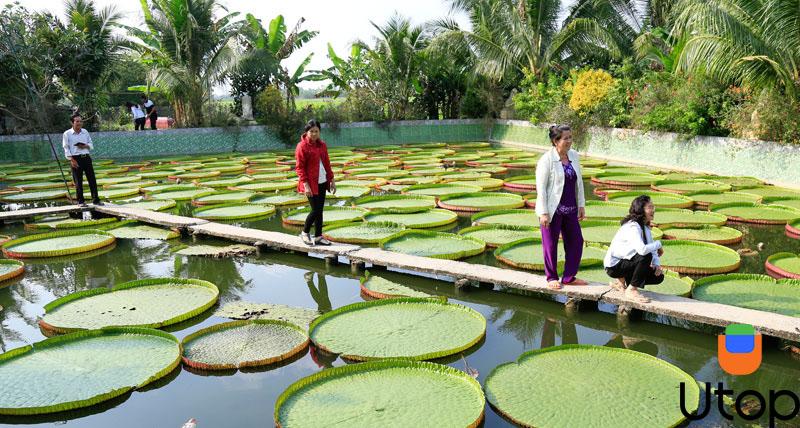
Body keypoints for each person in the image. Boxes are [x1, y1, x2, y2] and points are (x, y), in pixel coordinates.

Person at [535, 124, 587, 290]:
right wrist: (543, 212)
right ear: (555, 141)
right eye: (566, 138)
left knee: (576, 242)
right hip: (552, 210)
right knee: (550, 245)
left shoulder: (574, 156)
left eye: (571, 137)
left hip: (571, 209)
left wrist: (581, 205)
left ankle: (569, 277)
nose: (570, 141)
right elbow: (541, 188)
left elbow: (578, 182)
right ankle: (551, 277)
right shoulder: (546, 160)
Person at [603, 195, 665, 303]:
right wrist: (659, 244)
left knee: (658, 276)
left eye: (653, 207)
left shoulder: (645, 228)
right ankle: (631, 289)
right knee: (645, 255)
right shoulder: (632, 226)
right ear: (641, 210)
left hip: (626, 263)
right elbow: (643, 250)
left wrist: (656, 264)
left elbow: (653, 251)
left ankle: (622, 283)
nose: (653, 210)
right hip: (613, 266)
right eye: (650, 207)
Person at [295, 119, 336, 245]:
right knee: (316, 210)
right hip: (310, 183)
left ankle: (318, 236)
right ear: (306, 132)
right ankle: (305, 232)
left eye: (316, 131)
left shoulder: (322, 145)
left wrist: (332, 179)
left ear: (319, 132)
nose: (314, 134)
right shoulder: (302, 146)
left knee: (320, 210)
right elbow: (300, 168)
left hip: (322, 181)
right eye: (311, 131)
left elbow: (327, 164)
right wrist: (306, 185)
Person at [62, 114, 101, 206]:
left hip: (86, 157)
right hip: (75, 159)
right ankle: (81, 201)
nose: (79, 123)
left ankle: (96, 200)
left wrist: (85, 146)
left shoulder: (85, 132)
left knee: (92, 179)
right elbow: (66, 148)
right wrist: (72, 160)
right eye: (77, 121)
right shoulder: (67, 134)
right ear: (72, 122)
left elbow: (91, 144)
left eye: (81, 121)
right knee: (78, 181)